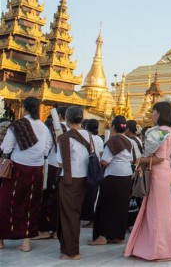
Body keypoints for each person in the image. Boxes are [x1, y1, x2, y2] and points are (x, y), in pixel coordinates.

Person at [124, 102, 171, 261]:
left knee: (157, 213)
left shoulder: (161, 132)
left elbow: (160, 157)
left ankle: (160, 250)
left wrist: (143, 159)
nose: (152, 113)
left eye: (153, 110)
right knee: (156, 211)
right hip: (163, 172)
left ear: (160, 113)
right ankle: (152, 247)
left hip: (159, 173)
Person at [0, 97, 52, 252]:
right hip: (36, 170)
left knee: (6, 203)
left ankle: (1, 240)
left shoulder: (16, 125)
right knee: (31, 204)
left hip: (17, 169)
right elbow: (47, 148)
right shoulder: (43, 127)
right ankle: (26, 242)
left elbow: (6, 148)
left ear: (24, 108)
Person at [89, 116, 133, 246]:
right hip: (126, 175)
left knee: (105, 206)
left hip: (113, 175)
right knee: (121, 206)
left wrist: (100, 157)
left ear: (113, 127)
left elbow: (105, 161)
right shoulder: (128, 140)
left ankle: (102, 236)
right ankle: (117, 235)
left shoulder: (113, 141)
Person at [56, 106, 92, 260]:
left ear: (67, 118)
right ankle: (69, 248)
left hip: (70, 180)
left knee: (69, 214)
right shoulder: (88, 135)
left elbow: (59, 163)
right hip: (84, 178)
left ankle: (71, 251)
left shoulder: (64, 138)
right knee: (74, 214)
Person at [35, 116, 61, 240]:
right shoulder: (63, 134)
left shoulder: (49, 135)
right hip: (61, 169)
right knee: (57, 200)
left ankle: (44, 230)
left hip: (50, 168)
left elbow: (45, 151)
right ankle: (56, 231)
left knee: (45, 199)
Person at [80, 119, 104, 228]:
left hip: (87, 167)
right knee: (92, 194)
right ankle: (90, 218)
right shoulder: (99, 138)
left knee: (85, 194)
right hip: (96, 167)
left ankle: (87, 216)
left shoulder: (86, 137)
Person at [124, 120, 144, 229]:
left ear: (127, 129)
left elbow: (134, 158)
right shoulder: (138, 140)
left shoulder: (130, 141)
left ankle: (130, 223)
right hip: (138, 169)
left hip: (133, 170)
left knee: (131, 198)